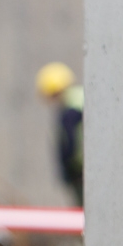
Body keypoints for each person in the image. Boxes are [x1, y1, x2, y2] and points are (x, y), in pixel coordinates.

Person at [35, 60, 84, 204]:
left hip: (81, 173)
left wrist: (71, 171)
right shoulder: (81, 97)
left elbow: (70, 143)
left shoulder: (70, 109)